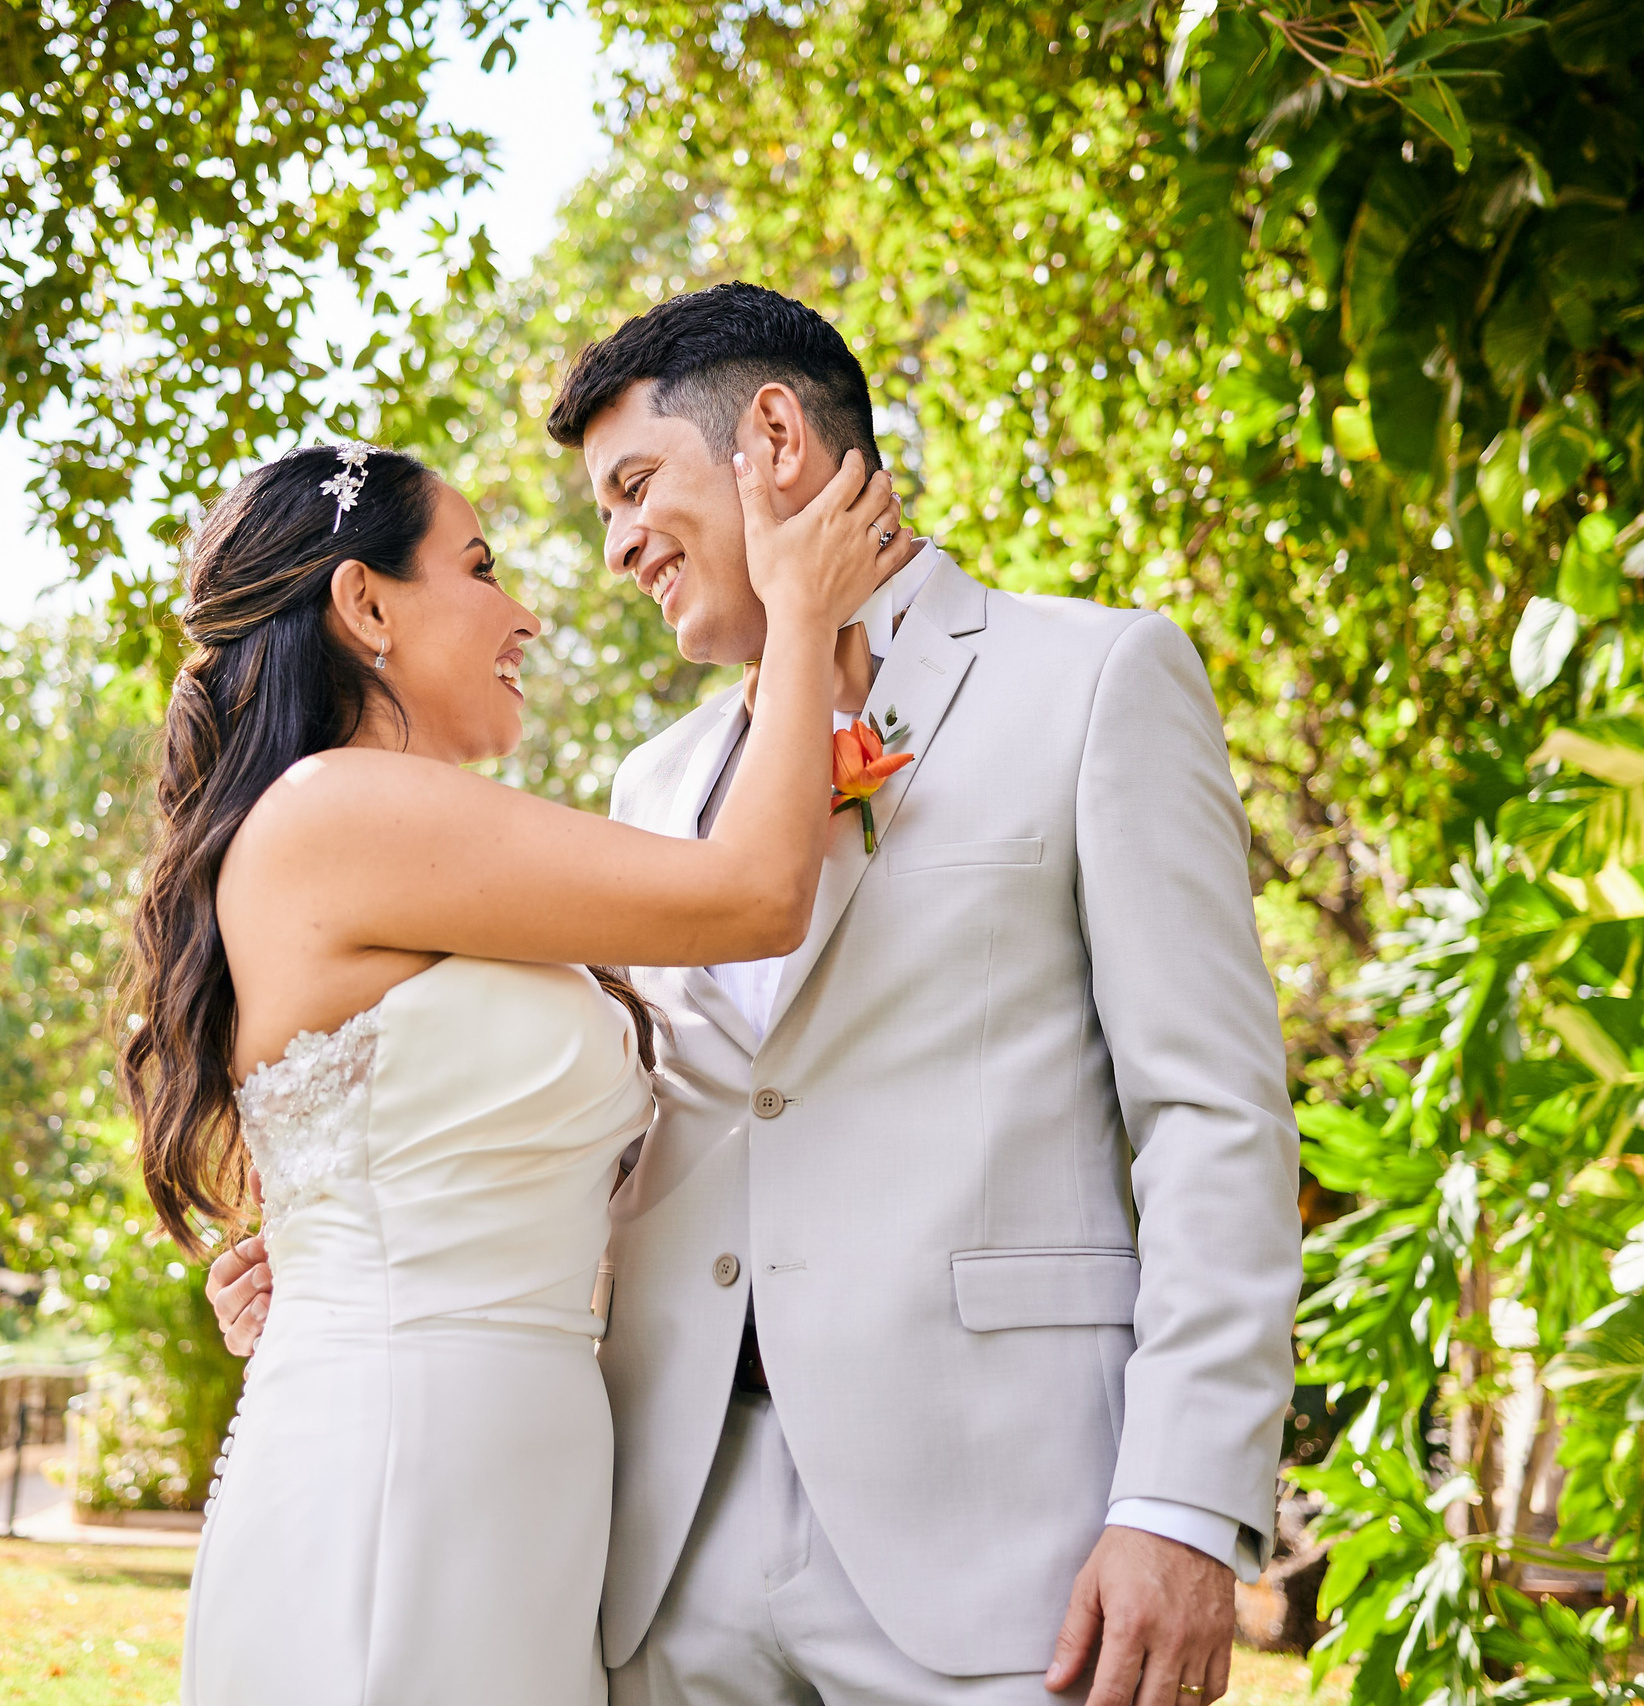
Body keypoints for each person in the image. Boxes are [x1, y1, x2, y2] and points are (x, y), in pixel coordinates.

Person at [208, 283, 1305, 1706]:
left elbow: (1215, 1114)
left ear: (773, 433)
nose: (611, 551)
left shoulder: (1093, 681)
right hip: (663, 1548)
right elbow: (660, 1129)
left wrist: (1178, 1500)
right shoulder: (654, 788)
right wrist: (377, 1235)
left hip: (1006, 1544)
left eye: (633, 486)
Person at [125, 434, 910, 1706]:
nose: (528, 614)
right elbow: (758, 895)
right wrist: (803, 611)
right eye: (481, 566)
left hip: (509, 1462)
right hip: (412, 1463)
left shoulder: (392, 833)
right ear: (364, 603)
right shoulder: (339, 807)